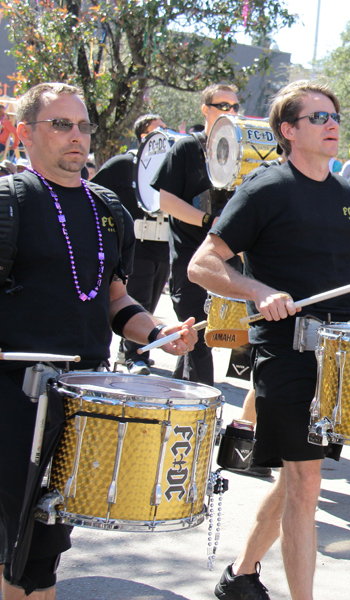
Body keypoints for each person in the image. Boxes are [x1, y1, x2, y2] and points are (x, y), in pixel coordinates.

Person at [188, 80, 350, 600]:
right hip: (284, 351)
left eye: (335, 115)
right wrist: (259, 290)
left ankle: (241, 576)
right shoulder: (267, 188)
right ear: (288, 131)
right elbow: (203, 264)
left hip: (335, 355)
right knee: (306, 484)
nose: (333, 124)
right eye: (318, 118)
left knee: (296, 479)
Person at [0, 82, 196, 600]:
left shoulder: (109, 209)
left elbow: (112, 299)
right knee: (10, 546)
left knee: (46, 547)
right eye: (61, 124)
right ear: (24, 134)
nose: (77, 137)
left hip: (81, 395)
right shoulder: (9, 201)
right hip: (13, 396)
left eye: (83, 126)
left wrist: (157, 333)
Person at [151, 83, 240, 385]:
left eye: (234, 107)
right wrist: (208, 221)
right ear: (205, 109)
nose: (230, 112)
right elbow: (165, 201)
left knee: (199, 343)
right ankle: (205, 416)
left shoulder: (243, 152)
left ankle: (183, 406)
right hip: (191, 261)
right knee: (196, 338)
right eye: (222, 106)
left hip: (229, 264)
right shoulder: (188, 147)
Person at [92, 113, 169, 375]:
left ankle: (138, 351)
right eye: (156, 130)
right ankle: (133, 356)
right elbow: (93, 194)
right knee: (136, 298)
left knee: (152, 303)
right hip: (136, 244)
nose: (163, 136)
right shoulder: (123, 164)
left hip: (162, 246)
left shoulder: (171, 166)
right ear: (142, 136)